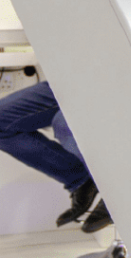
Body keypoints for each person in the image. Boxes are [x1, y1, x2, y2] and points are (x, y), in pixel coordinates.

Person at [0, 80, 113, 233]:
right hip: (66, 77)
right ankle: (80, 179)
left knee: (63, 123)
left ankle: (115, 193)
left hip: (107, 81)